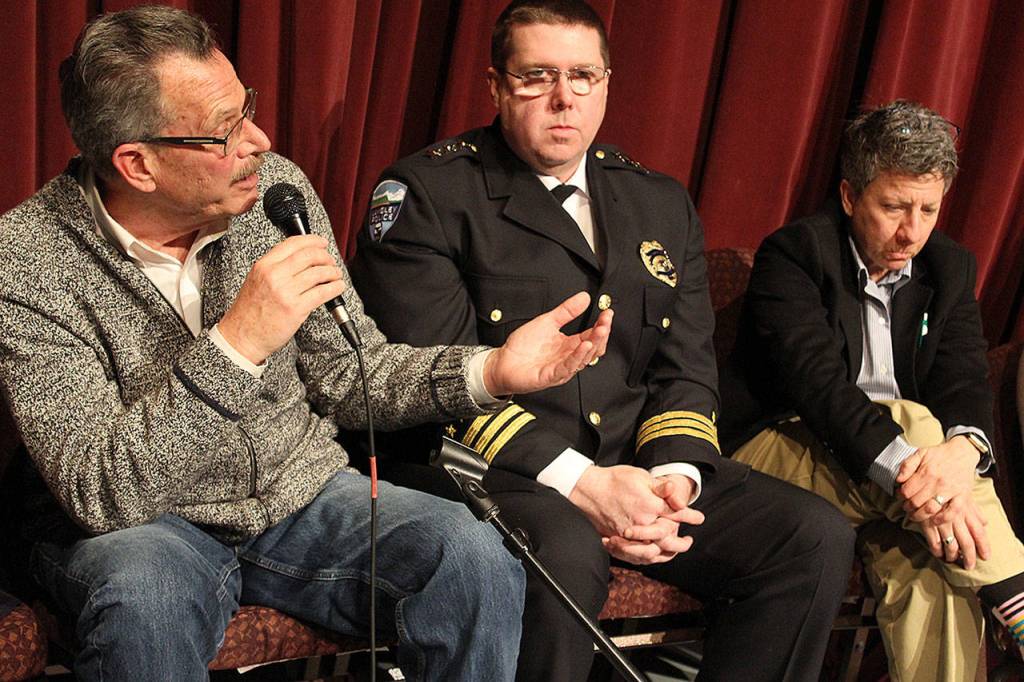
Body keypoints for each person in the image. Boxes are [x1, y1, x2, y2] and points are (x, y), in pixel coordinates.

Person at [0, 6, 616, 681]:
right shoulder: (27, 260)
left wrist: (489, 369)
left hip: (300, 498)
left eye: (248, 110)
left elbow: (352, 373)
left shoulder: (270, 195)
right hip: (142, 527)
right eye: (223, 132)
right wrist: (236, 346)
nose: (258, 141)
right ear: (137, 164)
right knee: (148, 597)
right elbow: (99, 489)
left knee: (470, 554)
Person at [349, 1, 855, 680]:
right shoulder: (428, 194)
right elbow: (431, 382)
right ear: (495, 86)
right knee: (562, 549)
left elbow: (685, 369)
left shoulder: (659, 201)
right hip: (492, 463)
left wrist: (671, 480)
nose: (565, 98)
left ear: (607, 85)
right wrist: (583, 484)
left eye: (583, 76)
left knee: (809, 536)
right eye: (537, 77)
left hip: (630, 462)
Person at [725, 100, 1024, 681]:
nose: (911, 230)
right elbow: (819, 389)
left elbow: (964, 379)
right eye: (892, 207)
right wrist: (921, 464)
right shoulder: (794, 255)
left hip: (895, 487)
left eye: (928, 209)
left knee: (932, 568)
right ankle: (1016, 592)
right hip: (778, 452)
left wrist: (962, 455)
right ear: (848, 197)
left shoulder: (950, 268)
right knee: (913, 422)